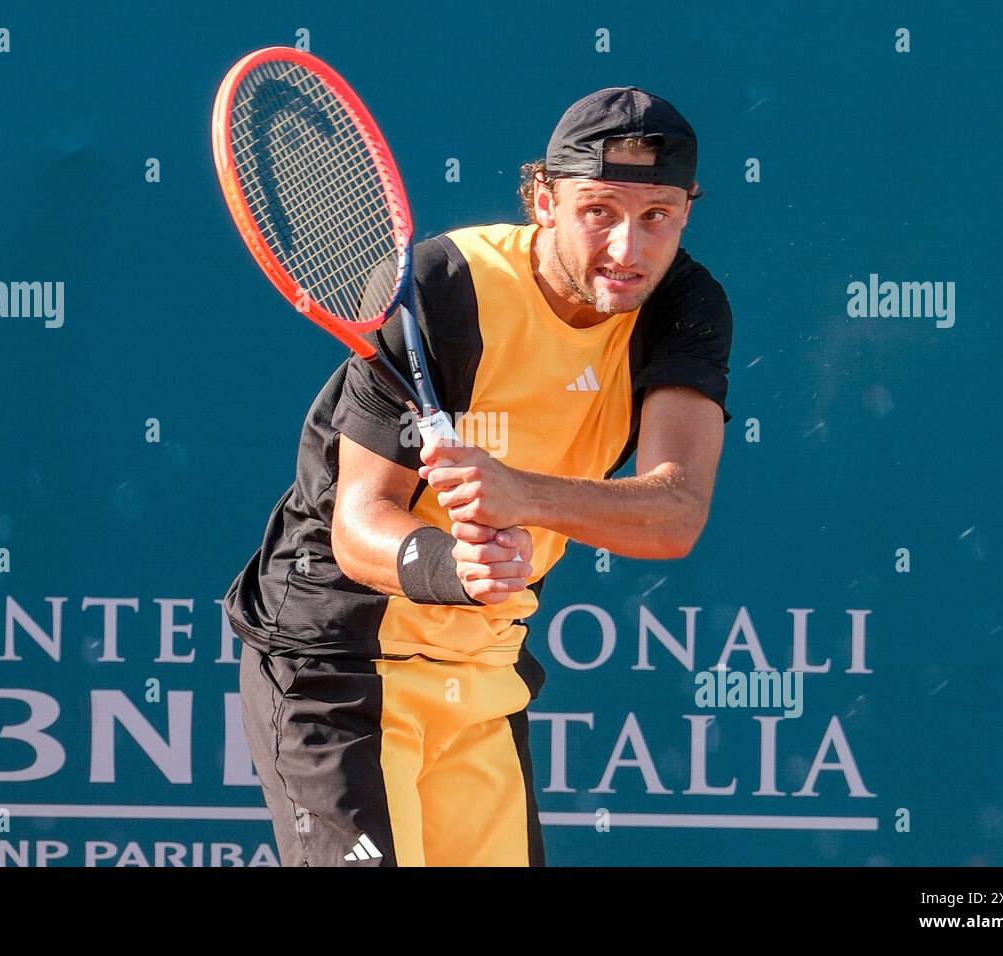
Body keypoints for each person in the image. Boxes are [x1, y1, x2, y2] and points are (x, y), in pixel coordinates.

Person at [225, 86, 734, 866]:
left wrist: (523, 494)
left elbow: (675, 513)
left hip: (483, 670)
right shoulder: (439, 289)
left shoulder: (682, 305)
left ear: (686, 214)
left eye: (657, 216)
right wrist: (448, 566)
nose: (628, 249)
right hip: (338, 666)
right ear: (543, 201)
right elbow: (358, 524)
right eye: (599, 210)